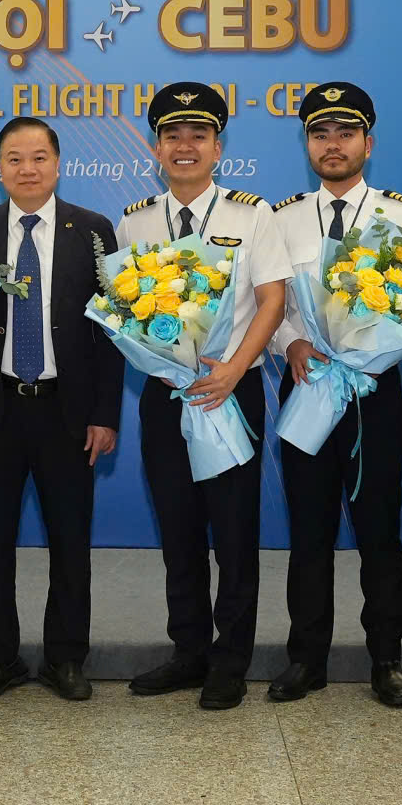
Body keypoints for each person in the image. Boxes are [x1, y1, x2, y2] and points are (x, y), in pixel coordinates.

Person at [117, 81, 289, 712]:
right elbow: (122, 311)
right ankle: (188, 650)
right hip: (164, 396)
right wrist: (159, 364)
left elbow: (273, 300)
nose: (184, 147)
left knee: (234, 530)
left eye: (197, 135)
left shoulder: (253, 215)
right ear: (155, 147)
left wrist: (235, 371)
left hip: (230, 393)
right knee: (180, 530)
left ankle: (230, 659)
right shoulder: (134, 220)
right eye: (172, 136)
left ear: (219, 146)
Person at [0, 117, 122, 703]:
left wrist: (106, 414)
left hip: (66, 412)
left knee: (71, 540)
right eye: (15, 158)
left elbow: (110, 333)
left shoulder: (92, 232)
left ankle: (66, 658)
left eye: (39, 157)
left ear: (58, 163)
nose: (27, 168)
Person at [265, 81, 402, 708]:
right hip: (307, 389)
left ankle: (387, 658)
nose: (333, 145)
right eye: (321, 134)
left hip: (375, 393)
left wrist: (373, 351)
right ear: (307, 144)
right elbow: (264, 305)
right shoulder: (281, 218)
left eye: (345, 133)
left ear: (368, 143)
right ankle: (307, 658)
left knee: (380, 527)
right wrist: (291, 344)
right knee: (310, 529)